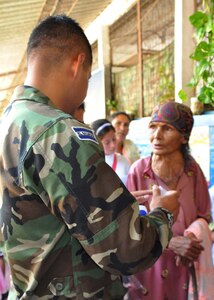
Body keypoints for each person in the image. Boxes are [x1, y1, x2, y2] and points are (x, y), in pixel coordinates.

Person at [0, 15, 180, 299]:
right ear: (76, 63)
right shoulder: (59, 132)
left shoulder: (9, 121)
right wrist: (163, 213)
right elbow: (127, 249)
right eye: (88, 73)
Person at [125, 101, 212, 300]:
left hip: (184, 269)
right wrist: (172, 243)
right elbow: (129, 226)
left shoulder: (193, 172)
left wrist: (191, 241)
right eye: (153, 127)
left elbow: (203, 216)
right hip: (148, 270)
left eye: (167, 128)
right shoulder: (139, 171)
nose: (156, 135)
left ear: (183, 137)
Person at [91, 118, 130, 184]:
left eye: (114, 139)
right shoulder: (90, 163)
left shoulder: (124, 161)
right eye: (107, 142)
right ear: (96, 142)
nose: (113, 145)